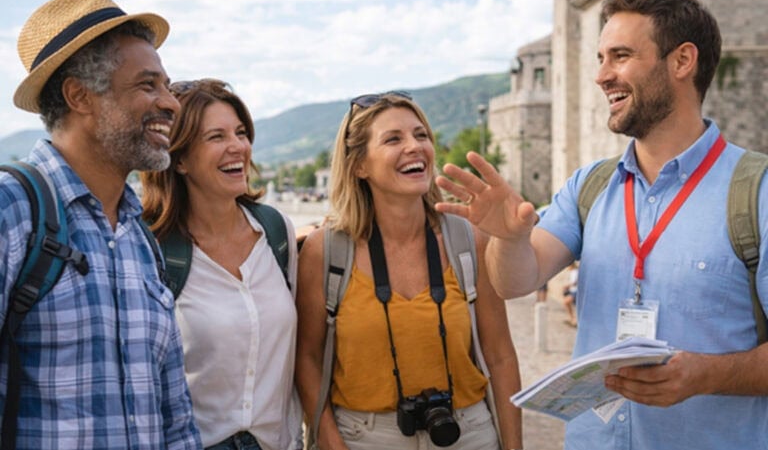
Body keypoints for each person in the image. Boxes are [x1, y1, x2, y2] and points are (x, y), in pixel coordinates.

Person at [435, 0, 768, 450]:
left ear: (682, 61)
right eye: (599, 58)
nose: (600, 75)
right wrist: (509, 239)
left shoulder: (756, 193)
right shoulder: (588, 185)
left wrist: (706, 374)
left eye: (621, 56)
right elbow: (516, 281)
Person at [0, 0, 201, 449]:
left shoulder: (138, 237)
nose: (171, 103)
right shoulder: (13, 209)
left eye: (167, 86)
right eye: (148, 85)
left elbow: (175, 415)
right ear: (79, 96)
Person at [295, 92, 522, 450]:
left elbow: (501, 355)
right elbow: (307, 359)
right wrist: (331, 443)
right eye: (393, 139)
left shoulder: (468, 239)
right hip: (365, 438)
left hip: (467, 433)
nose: (415, 147)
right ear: (359, 166)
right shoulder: (325, 251)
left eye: (421, 135)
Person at [140, 79, 304, 450]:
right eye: (216, 137)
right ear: (179, 159)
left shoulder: (276, 233)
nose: (238, 147)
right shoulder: (153, 251)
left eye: (241, 133)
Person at [561, 262, 578, 327]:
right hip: (572, 291)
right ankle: (572, 319)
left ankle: (573, 319)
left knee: (566, 302)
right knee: (567, 303)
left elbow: (576, 282)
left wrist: (567, 286)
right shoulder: (572, 272)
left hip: (576, 291)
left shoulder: (576, 271)